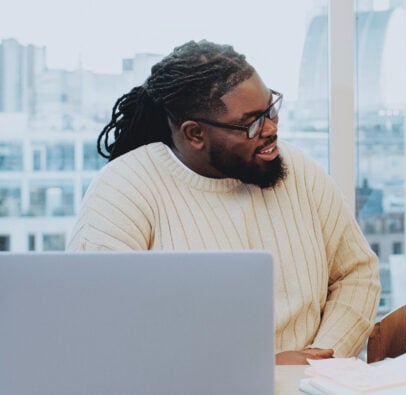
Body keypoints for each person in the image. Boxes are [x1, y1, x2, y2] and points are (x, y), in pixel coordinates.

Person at [66, 40, 380, 365]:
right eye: (252, 123)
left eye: (271, 109)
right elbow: (100, 329)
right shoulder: (125, 188)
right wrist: (256, 373)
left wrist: (317, 362)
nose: (271, 129)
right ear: (195, 134)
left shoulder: (298, 169)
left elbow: (356, 274)